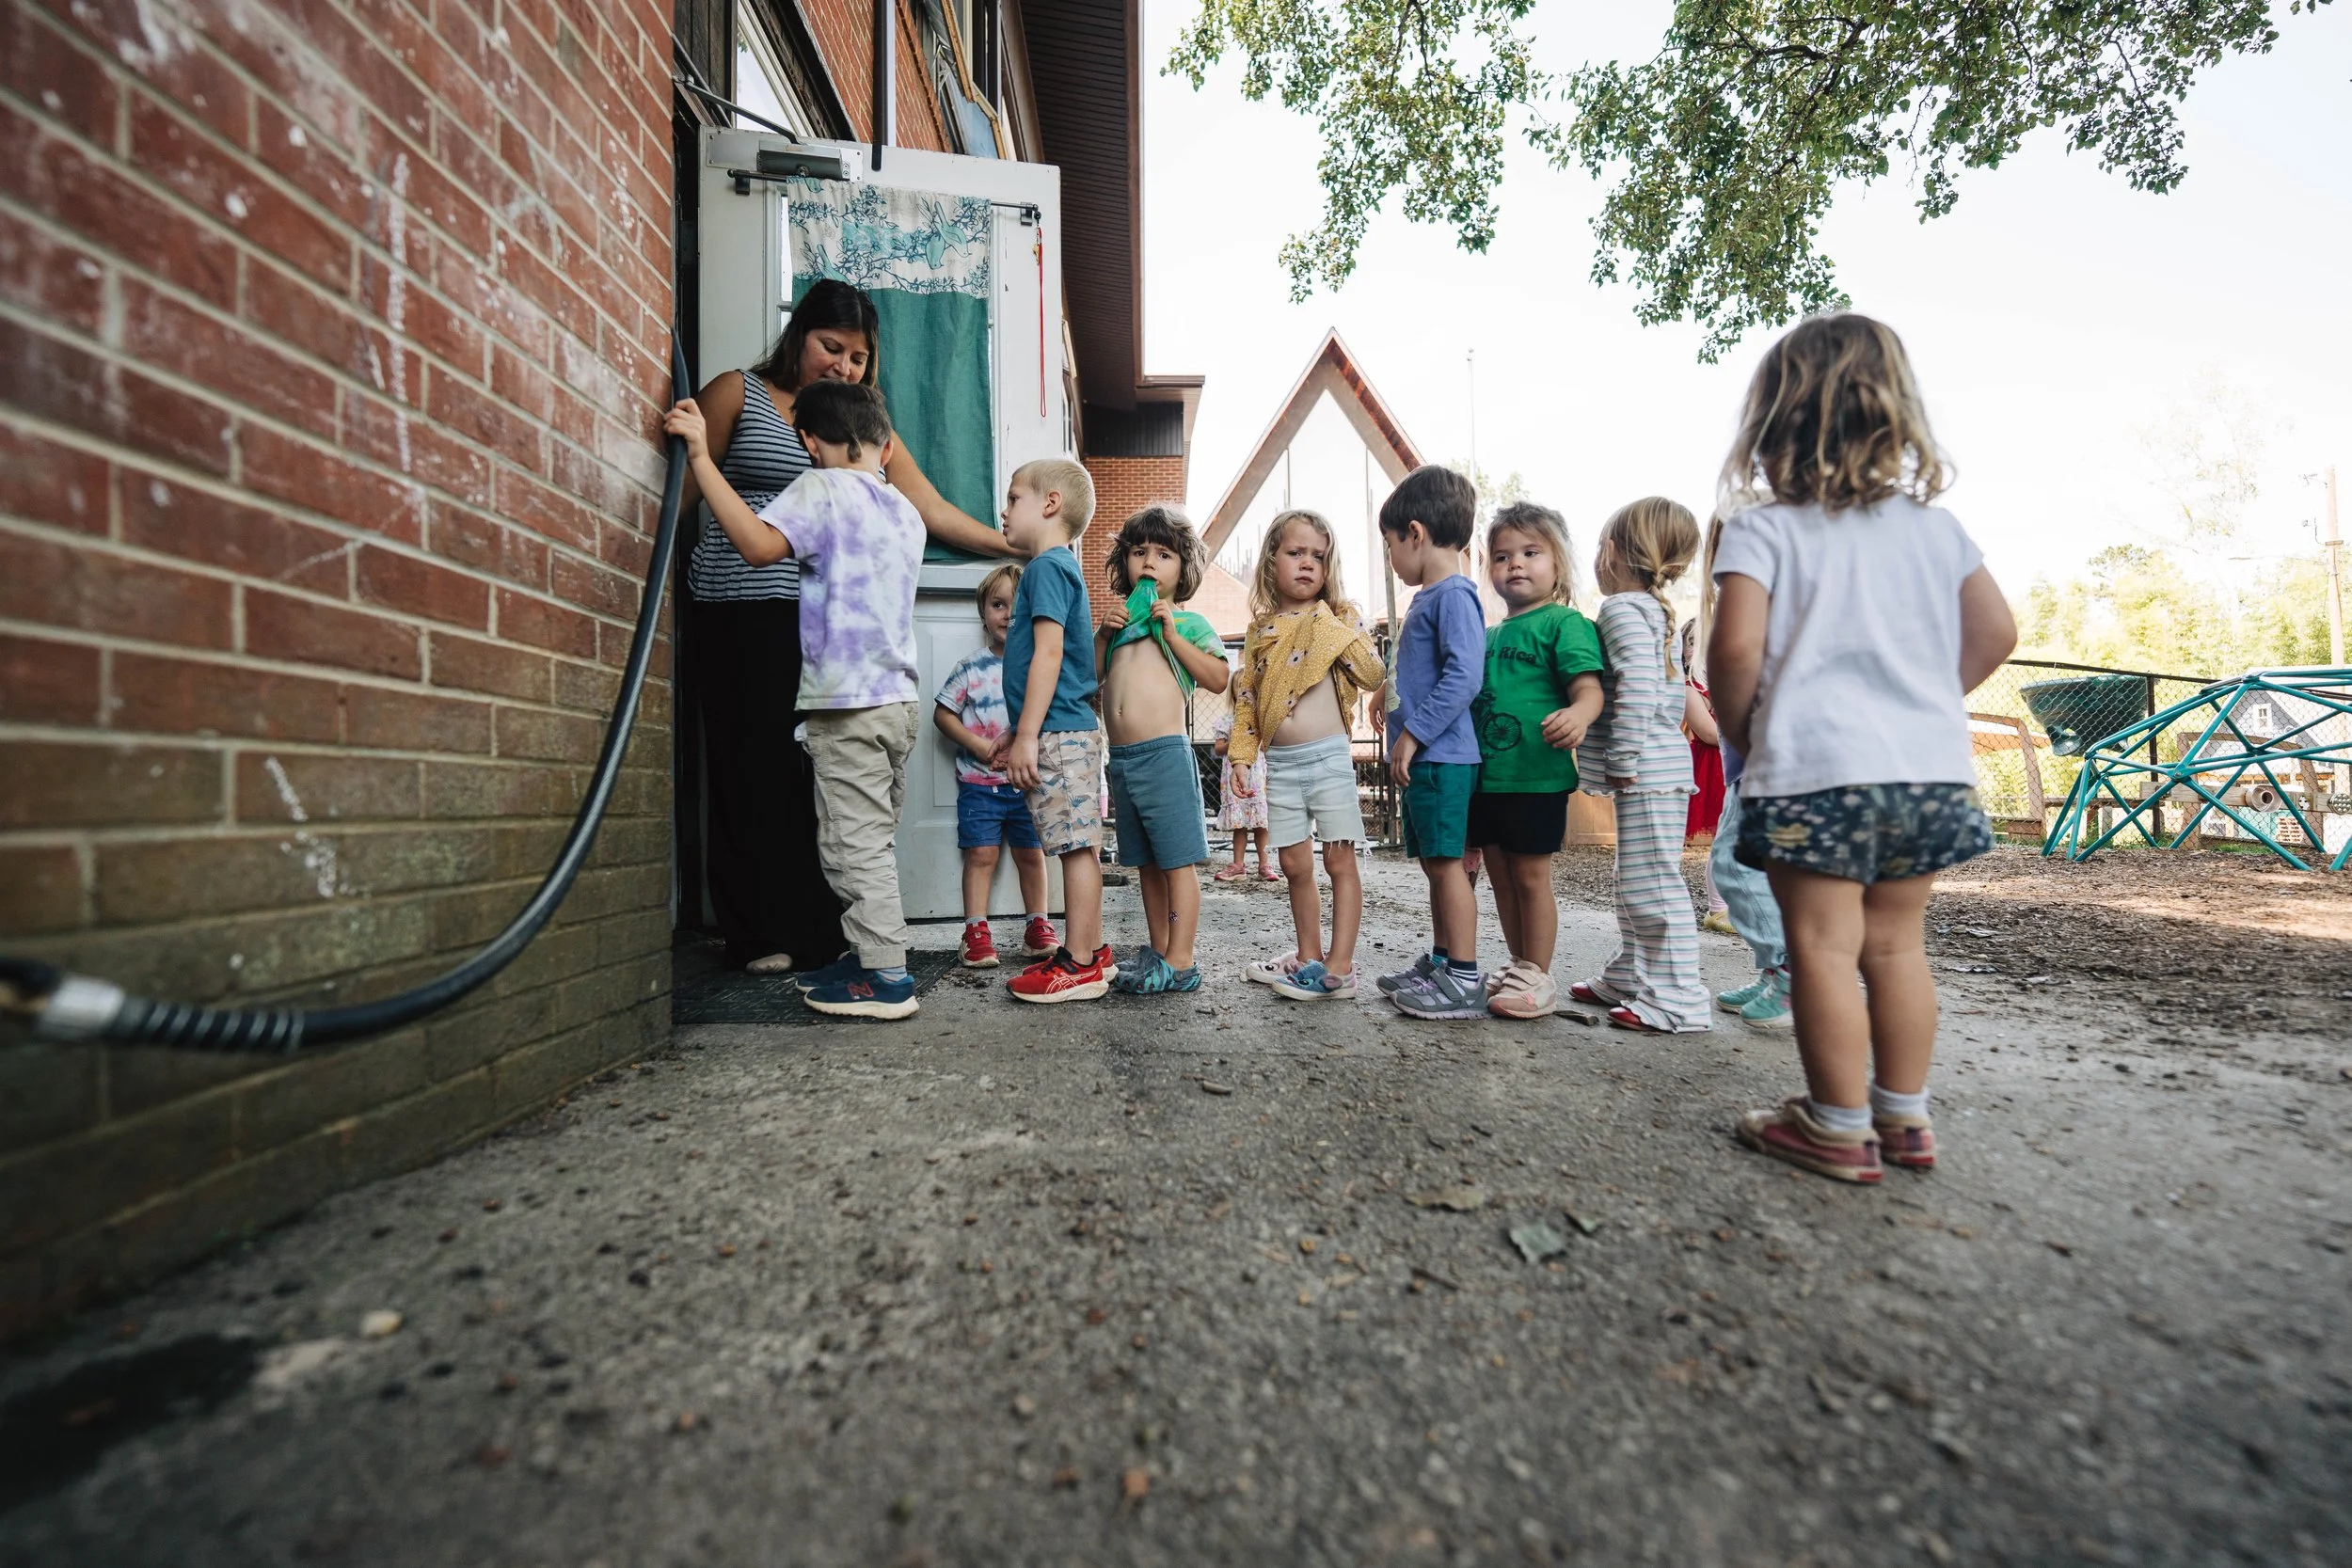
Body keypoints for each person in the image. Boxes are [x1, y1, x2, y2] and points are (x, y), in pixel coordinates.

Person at [1708, 312, 2017, 1182]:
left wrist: (1745, 728)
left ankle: (1838, 1126)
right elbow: (1996, 631)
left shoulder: (1764, 530)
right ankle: (1905, 1119)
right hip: (1924, 774)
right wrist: (1919, 705)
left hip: (1815, 772)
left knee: (1823, 948)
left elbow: (1734, 652)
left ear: (1773, 425)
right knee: (1896, 946)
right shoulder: (1935, 529)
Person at [672, 279, 1009, 975]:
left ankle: (821, 934)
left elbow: (933, 509)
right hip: (742, 609)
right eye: (833, 347)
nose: (844, 367)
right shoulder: (739, 391)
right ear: (800, 335)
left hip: (823, 630)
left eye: (859, 356)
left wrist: (1015, 546)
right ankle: (756, 933)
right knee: (747, 770)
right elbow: (680, 494)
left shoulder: (861, 422)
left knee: (817, 783)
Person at [669, 380, 926, 1020]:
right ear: (885, 446)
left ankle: (886, 976)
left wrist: (703, 457)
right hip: (898, 700)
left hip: (846, 703)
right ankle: (871, 952)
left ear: (809, 442)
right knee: (874, 838)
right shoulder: (906, 511)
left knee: (850, 845)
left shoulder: (821, 486)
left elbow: (758, 548)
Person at [1567, 499, 1713, 1034]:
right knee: (1635, 879)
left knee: (1653, 885)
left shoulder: (1624, 609)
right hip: (1658, 769)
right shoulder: (1651, 611)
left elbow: (1639, 688)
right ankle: (1633, 972)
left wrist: (1622, 754)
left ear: (1610, 552)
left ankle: (1680, 998)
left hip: (1648, 768)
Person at [1231, 509, 1387, 1003]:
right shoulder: (1260, 630)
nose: (1307, 564)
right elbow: (1248, 699)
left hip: (1328, 760)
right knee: (1295, 864)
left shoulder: (1338, 617)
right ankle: (1309, 956)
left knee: (1339, 859)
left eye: (1318, 557)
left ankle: (1341, 968)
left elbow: (1372, 673)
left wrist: (1330, 622)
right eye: (1295, 553)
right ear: (1271, 560)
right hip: (1282, 763)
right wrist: (1240, 755)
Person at [1466, 502, 1605, 1021]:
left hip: (1535, 775)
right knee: (1501, 876)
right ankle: (1520, 962)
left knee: (1530, 876)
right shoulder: (1487, 634)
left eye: (1530, 552)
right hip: (1487, 777)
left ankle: (1539, 975)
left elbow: (1588, 689)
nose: (1516, 564)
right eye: (1502, 556)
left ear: (1558, 564)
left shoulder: (1564, 623)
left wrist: (1580, 714)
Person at [1093, 506, 1231, 993]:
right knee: (1146, 865)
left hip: (1165, 756)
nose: (1149, 562)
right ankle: (1160, 951)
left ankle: (1183, 958)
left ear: (1183, 568)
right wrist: (1103, 634)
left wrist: (1171, 633)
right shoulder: (1118, 623)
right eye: (1139, 552)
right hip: (1125, 762)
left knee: (1176, 862)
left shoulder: (1187, 622)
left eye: (1163, 553)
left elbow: (1218, 676)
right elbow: (1091, 681)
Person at [1375, 468, 1490, 1021]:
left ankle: (1464, 977)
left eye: (1391, 545)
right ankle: (1444, 961)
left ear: (1415, 533)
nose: (1392, 559)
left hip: (1442, 758)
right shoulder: (1431, 597)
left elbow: (1464, 677)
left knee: (1448, 867)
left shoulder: (1454, 597)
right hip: (1426, 761)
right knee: (1434, 865)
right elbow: (1421, 669)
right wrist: (1385, 693)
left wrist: (1414, 733)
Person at [998, 460, 1115, 1004]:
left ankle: (1080, 964)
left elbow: (1047, 655)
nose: (1004, 509)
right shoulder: (1057, 568)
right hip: (1063, 731)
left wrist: (1027, 737)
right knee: (1077, 847)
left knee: (1074, 849)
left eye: (1013, 497)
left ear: (1049, 504)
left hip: (1060, 736)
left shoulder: (1047, 569)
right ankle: (1090, 952)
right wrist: (1017, 732)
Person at [934, 563, 1057, 969]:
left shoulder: (1039, 667)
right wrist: (979, 745)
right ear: (983, 612)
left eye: (1018, 607)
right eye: (998, 605)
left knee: (1031, 854)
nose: (1008, 615)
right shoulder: (971, 666)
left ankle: (1038, 926)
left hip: (1027, 784)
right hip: (979, 783)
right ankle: (975, 931)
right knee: (981, 855)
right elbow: (943, 714)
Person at [1207, 708, 1274, 884]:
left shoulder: (1262, 717)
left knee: (1261, 824)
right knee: (1240, 825)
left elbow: (1267, 746)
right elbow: (1218, 748)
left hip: (1257, 777)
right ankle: (1238, 865)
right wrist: (1236, 742)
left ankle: (1264, 865)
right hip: (1235, 778)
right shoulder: (1227, 720)